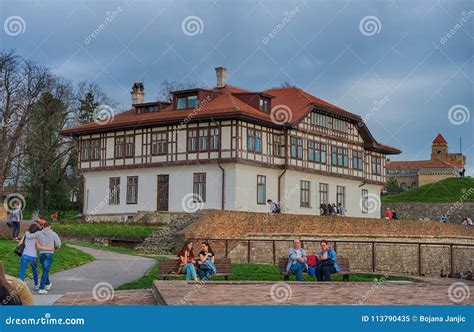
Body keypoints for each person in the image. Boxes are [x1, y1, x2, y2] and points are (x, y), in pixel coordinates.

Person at [25, 222, 61, 294]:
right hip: (49, 254)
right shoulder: (54, 234)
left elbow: (28, 236)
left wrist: (27, 232)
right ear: (50, 226)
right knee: (45, 270)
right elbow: (58, 244)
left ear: (43, 226)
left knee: (45, 269)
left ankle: (48, 283)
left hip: (42, 254)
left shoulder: (38, 233)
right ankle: (41, 288)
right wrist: (55, 248)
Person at [18, 224, 52, 289]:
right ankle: (36, 285)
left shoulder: (26, 233)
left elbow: (22, 241)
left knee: (22, 271)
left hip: (25, 254)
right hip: (33, 256)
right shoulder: (37, 236)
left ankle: (19, 286)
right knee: (35, 271)